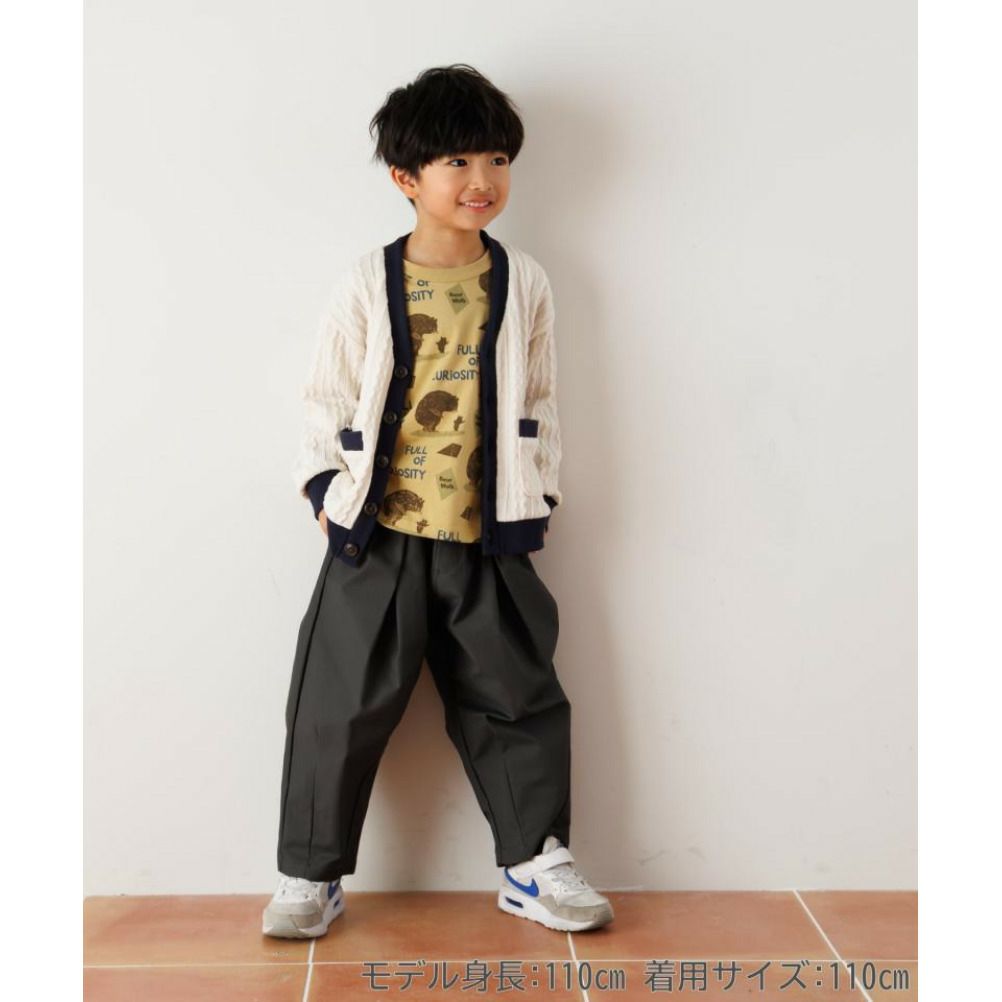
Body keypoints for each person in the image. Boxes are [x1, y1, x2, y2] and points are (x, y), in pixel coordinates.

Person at [262, 64, 614, 939]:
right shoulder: (365, 281)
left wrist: (539, 493)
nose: (481, 179)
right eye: (456, 161)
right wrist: (324, 491)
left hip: (487, 531)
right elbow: (326, 396)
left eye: (496, 159)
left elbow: (540, 398)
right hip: (374, 533)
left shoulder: (524, 281)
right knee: (337, 704)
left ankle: (534, 862)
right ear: (406, 178)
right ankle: (310, 873)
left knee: (516, 693)